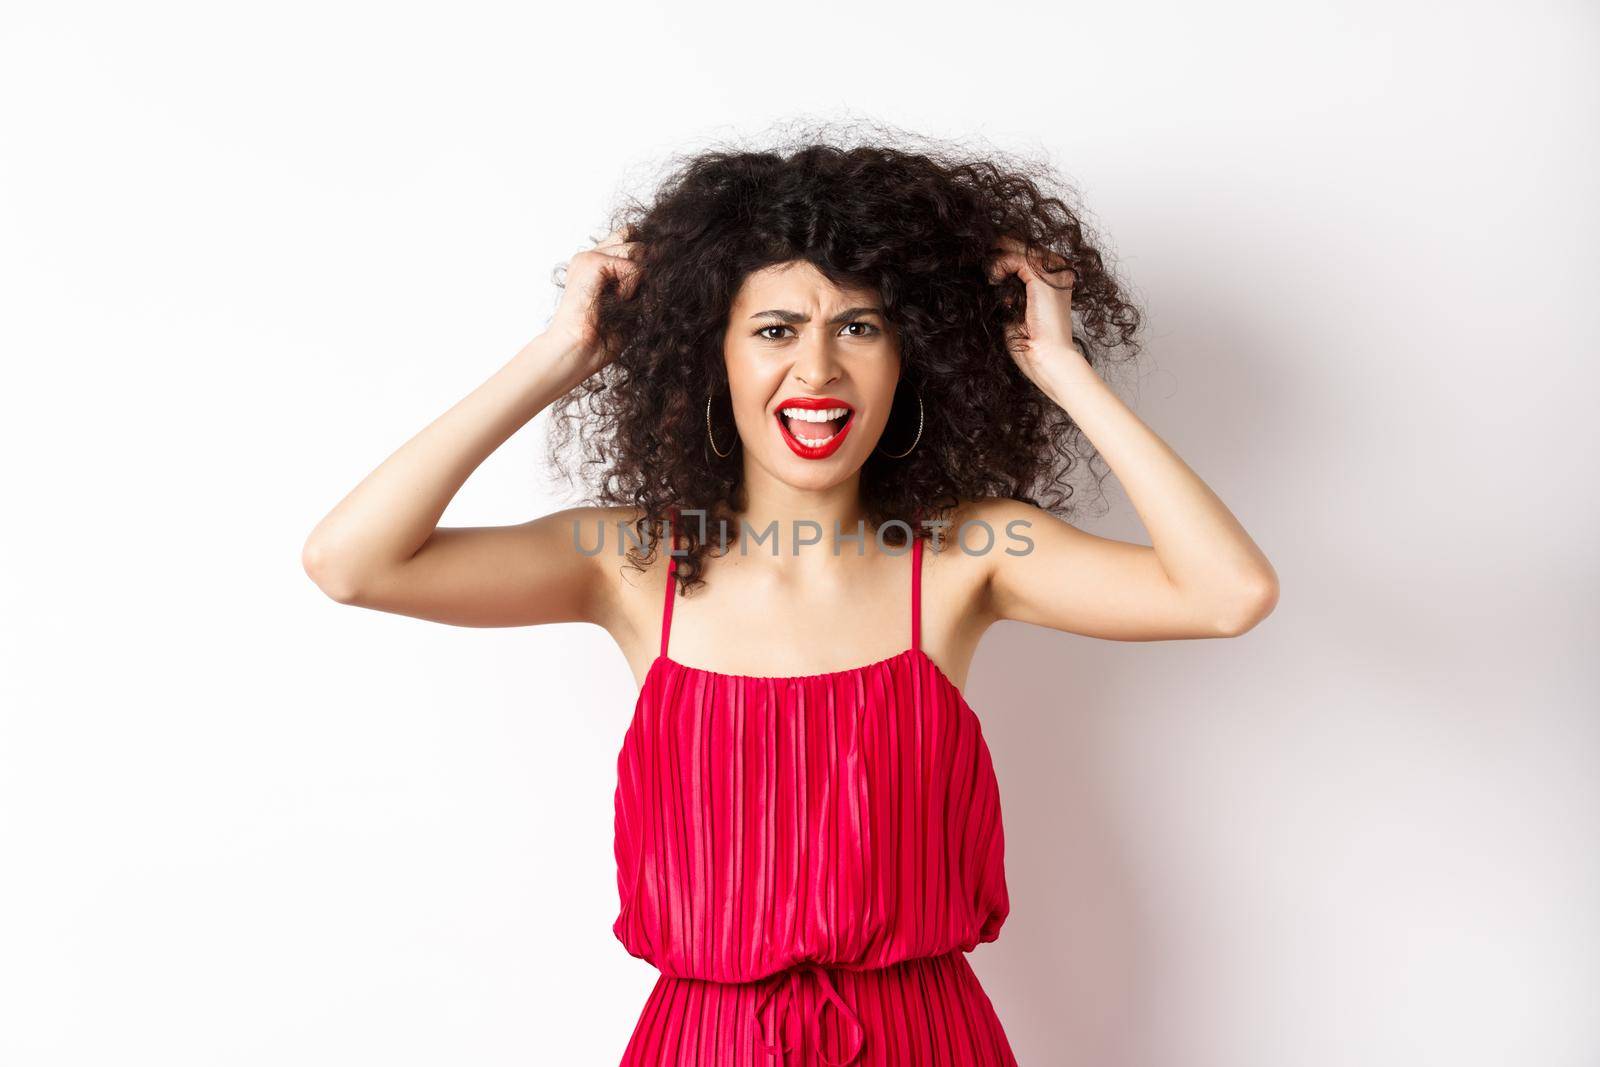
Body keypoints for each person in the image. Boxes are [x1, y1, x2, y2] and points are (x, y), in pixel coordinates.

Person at [302, 130, 1279, 1066]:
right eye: (775, 329)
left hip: (926, 1044)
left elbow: (1227, 592)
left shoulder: (969, 552)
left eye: (859, 326)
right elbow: (352, 561)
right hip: (704, 1044)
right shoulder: (629, 559)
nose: (817, 369)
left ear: (913, 356)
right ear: (710, 352)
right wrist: (565, 350)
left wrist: (1062, 368)